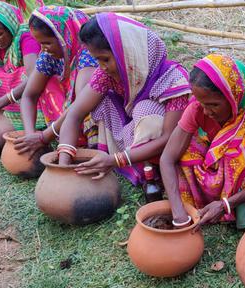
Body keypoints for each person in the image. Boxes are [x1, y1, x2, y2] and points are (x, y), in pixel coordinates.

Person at [55, 13, 191, 184]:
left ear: (128, 53)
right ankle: (126, 162)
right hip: (129, 139)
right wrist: (63, 164)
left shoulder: (173, 79)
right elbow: (75, 114)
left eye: (105, 59)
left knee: (145, 109)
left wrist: (115, 160)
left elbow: (169, 137)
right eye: (98, 60)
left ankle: (151, 174)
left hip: (167, 147)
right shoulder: (106, 74)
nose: (102, 67)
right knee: (103, 101)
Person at [160, 54, 245, 229]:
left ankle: (239, 210)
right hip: (216, 173)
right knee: (187, 148)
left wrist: (226, 205)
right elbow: (167, 158)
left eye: (214, 105)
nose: (206, 112)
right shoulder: (198, 108)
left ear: (232, 97)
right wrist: (178, 212)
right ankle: (200, 203)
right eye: (202, 103)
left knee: (239, 154)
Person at [14, 5, 97, 157]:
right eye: (40, 44)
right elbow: (29, 96)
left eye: (47, 43)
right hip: (67, 119)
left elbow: (79, 106)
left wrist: (43, 137)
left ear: (64, 37)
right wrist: (30, 135)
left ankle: (90, 144)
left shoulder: (89, 53)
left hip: (88, 115)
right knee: (45, 84)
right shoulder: (49, 56)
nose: (43, 49)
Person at [0, 1, 40, 153]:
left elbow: (35, 76)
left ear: (11, 26)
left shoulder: (26, 37)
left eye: (0, 34)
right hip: (6, 106)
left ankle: (32, 126)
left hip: (32, 99)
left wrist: (2, 101)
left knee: (22, 75)